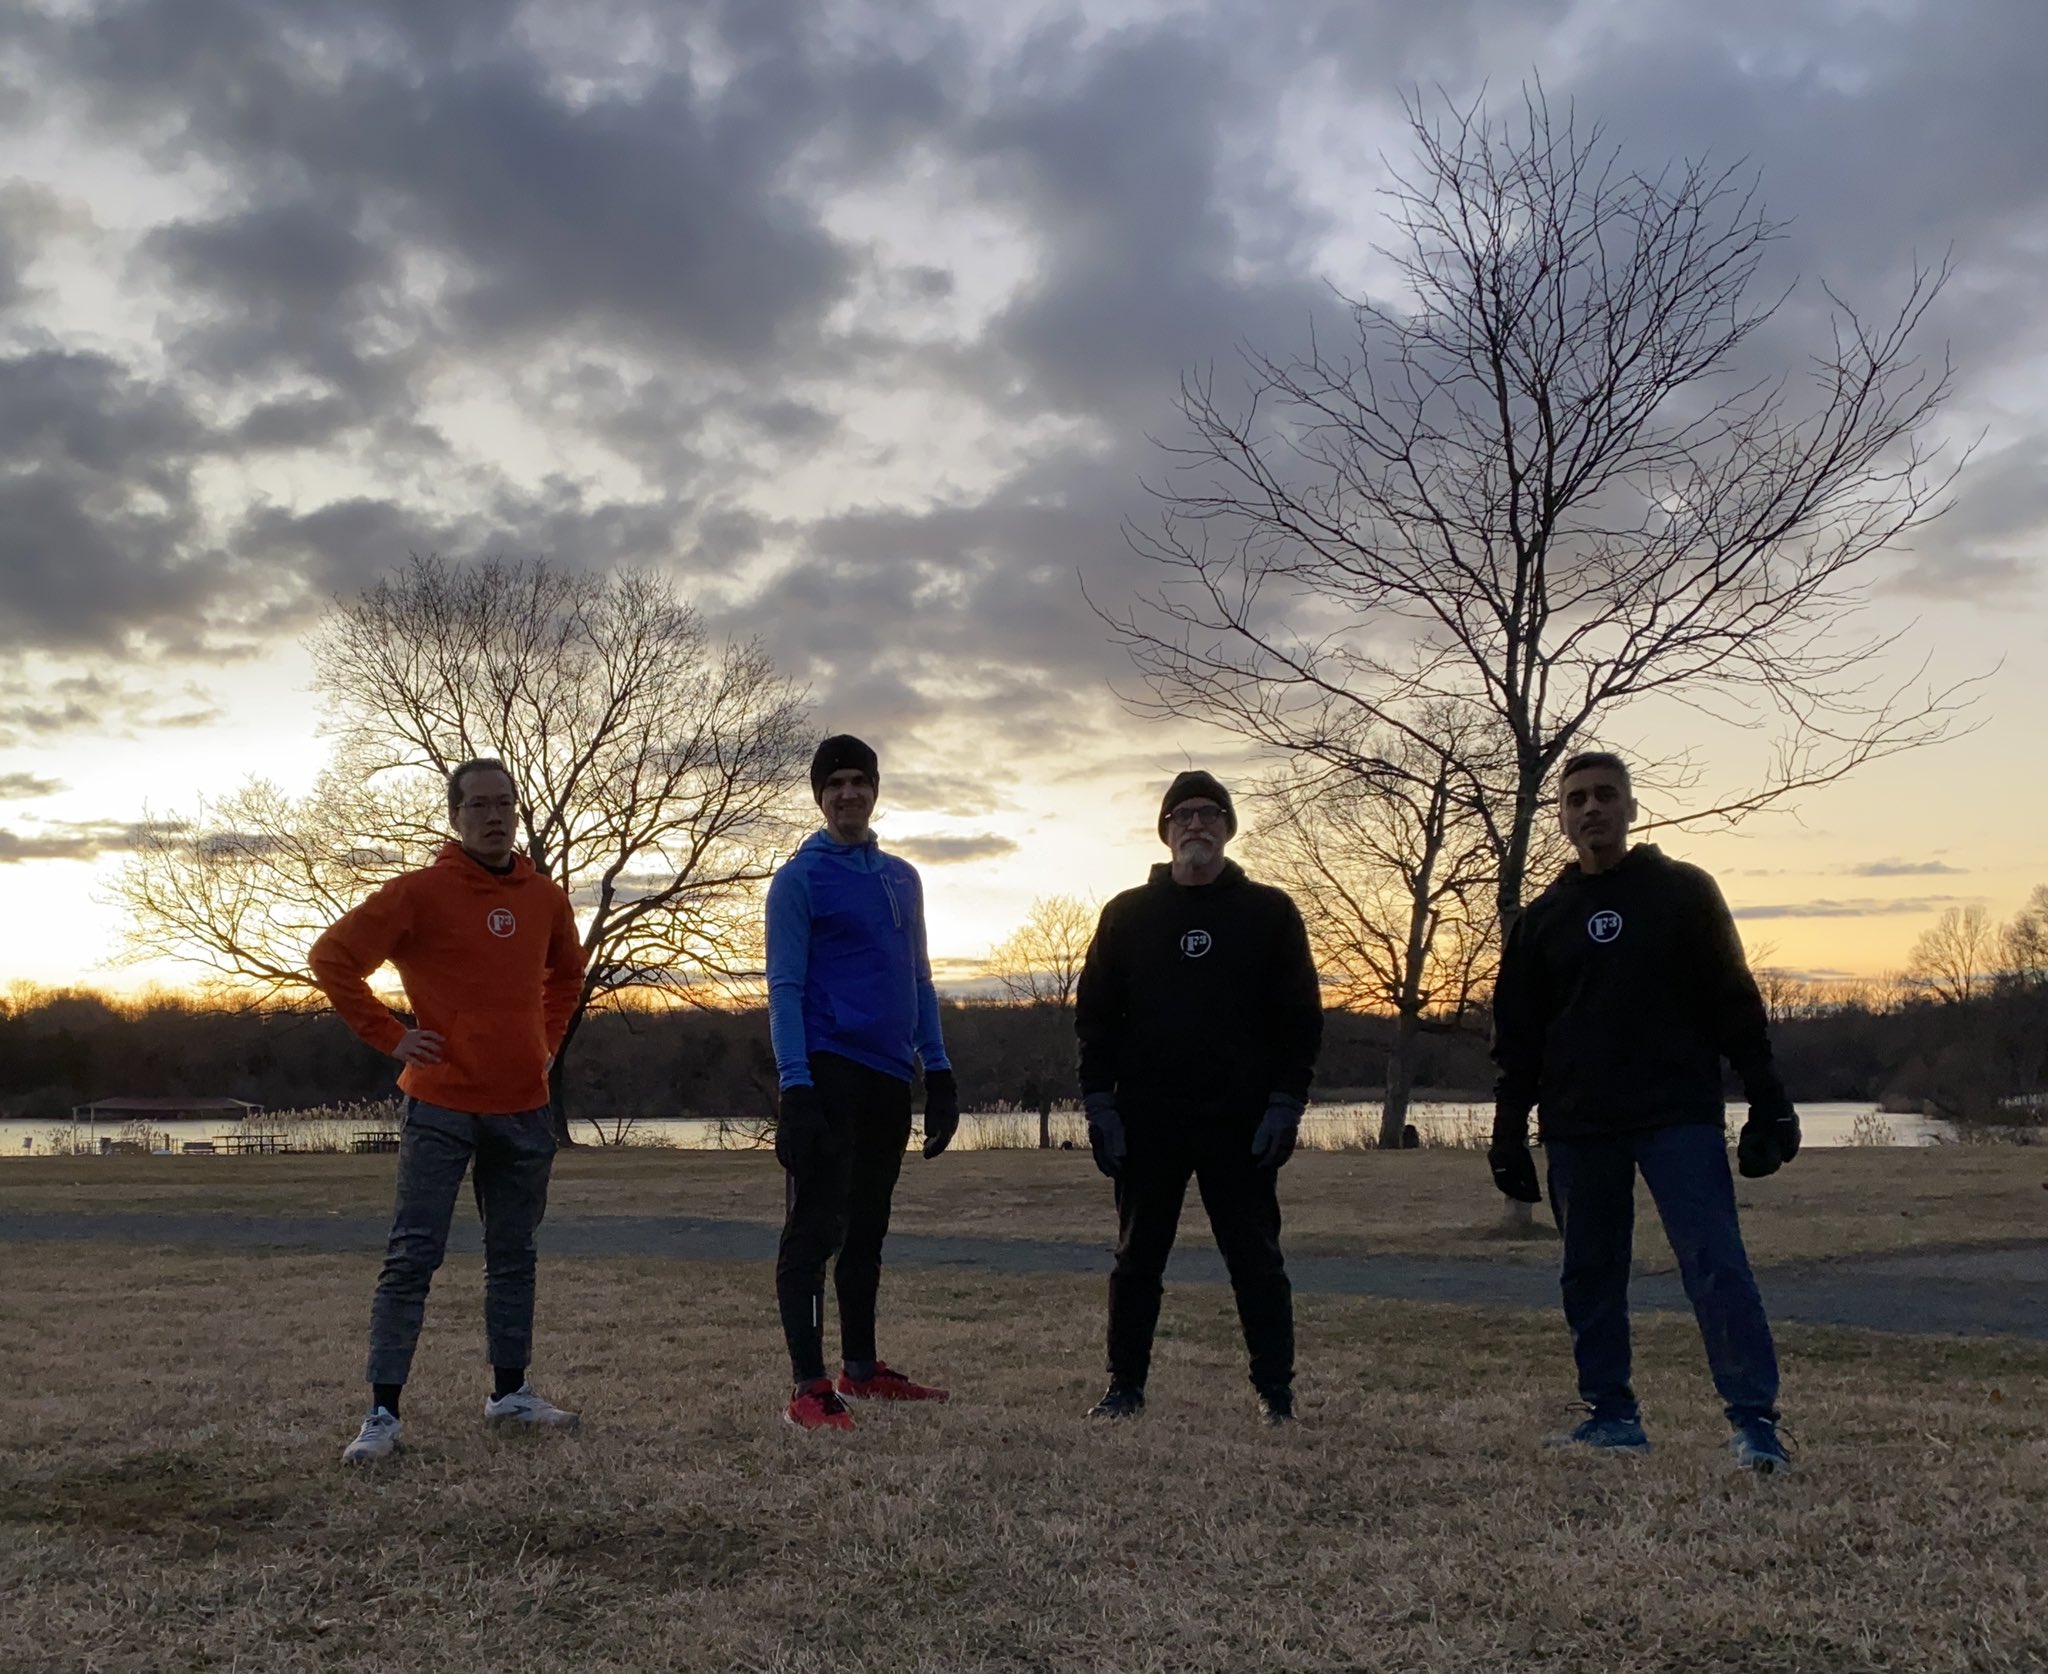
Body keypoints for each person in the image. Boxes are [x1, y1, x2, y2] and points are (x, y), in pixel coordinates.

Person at [1488, 751, 1802, 1473]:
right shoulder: (1542, 920)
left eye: (1606, 796)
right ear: (1561, 818)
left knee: (1716, 1264)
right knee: (1589, 1274)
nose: (1591, 808)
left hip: (1677, 1115)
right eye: (1576, 799)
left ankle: (1755, 1424)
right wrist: (1508, 1131)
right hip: (1578, 1124)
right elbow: (1519, 1038)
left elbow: (1734, 1003)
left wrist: (1769, 1100)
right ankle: (1611, 1417)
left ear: (1631, 809)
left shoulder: (1684, 892)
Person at [310, 758, 588, 1465]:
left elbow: (568, 975)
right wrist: (392, 1036)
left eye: (506, 804)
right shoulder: (417, 893)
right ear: (455, 816)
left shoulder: (546, 898)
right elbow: (332, 958)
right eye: (479, 805)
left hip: (523, 1108)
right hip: (440, 1105)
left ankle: (510, 1393)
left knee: (514, 1255)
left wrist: (546, 1041)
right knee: (412, 1256)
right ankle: (382, 1414)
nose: (495, 817)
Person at [1074, 770, 1323, 1425]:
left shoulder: (1269, 913)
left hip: (1240, 1122)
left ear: (1228, 827)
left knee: (1257, 1260)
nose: (1195, 824)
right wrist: (1100, 1106)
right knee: (1136, 1260)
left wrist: (1285, 1105)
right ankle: (1124, 1388)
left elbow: (1300, 1018)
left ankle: (1275, 1393)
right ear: (1165, 831)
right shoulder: (1127, 915)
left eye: (1209, 813)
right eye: (1182, 814)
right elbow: (1095, 1019)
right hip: (1147, 1120)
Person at [767, 735, 960, 1432]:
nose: (848, 793)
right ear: (820, 797)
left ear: (875, 789)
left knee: (868, 1227)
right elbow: (784, 989)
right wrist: (796, 1087)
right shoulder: (799, 880)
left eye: (859, 780)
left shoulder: (903, 879)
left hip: (889, 1075)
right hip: (827, 1068)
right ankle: (808, 1387)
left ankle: (861, 1367)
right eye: (835, 783)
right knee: (815, 1228)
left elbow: (920, 979)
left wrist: (938, 1069)